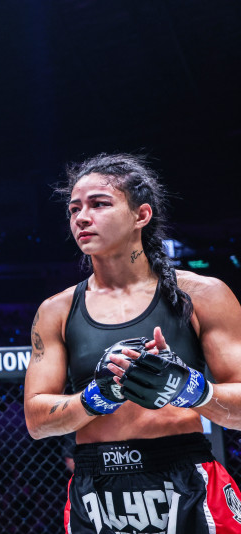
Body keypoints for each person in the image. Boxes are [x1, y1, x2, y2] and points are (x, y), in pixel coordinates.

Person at [24, 153, 241, 533]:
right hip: (97, 486)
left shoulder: (203, 295)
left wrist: (191, 390)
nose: (81, 217)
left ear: (141, 215)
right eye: (74, 208)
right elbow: (37, 421)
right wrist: (97, 397)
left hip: (185, 479)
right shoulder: (56, 310)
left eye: (99, 204)